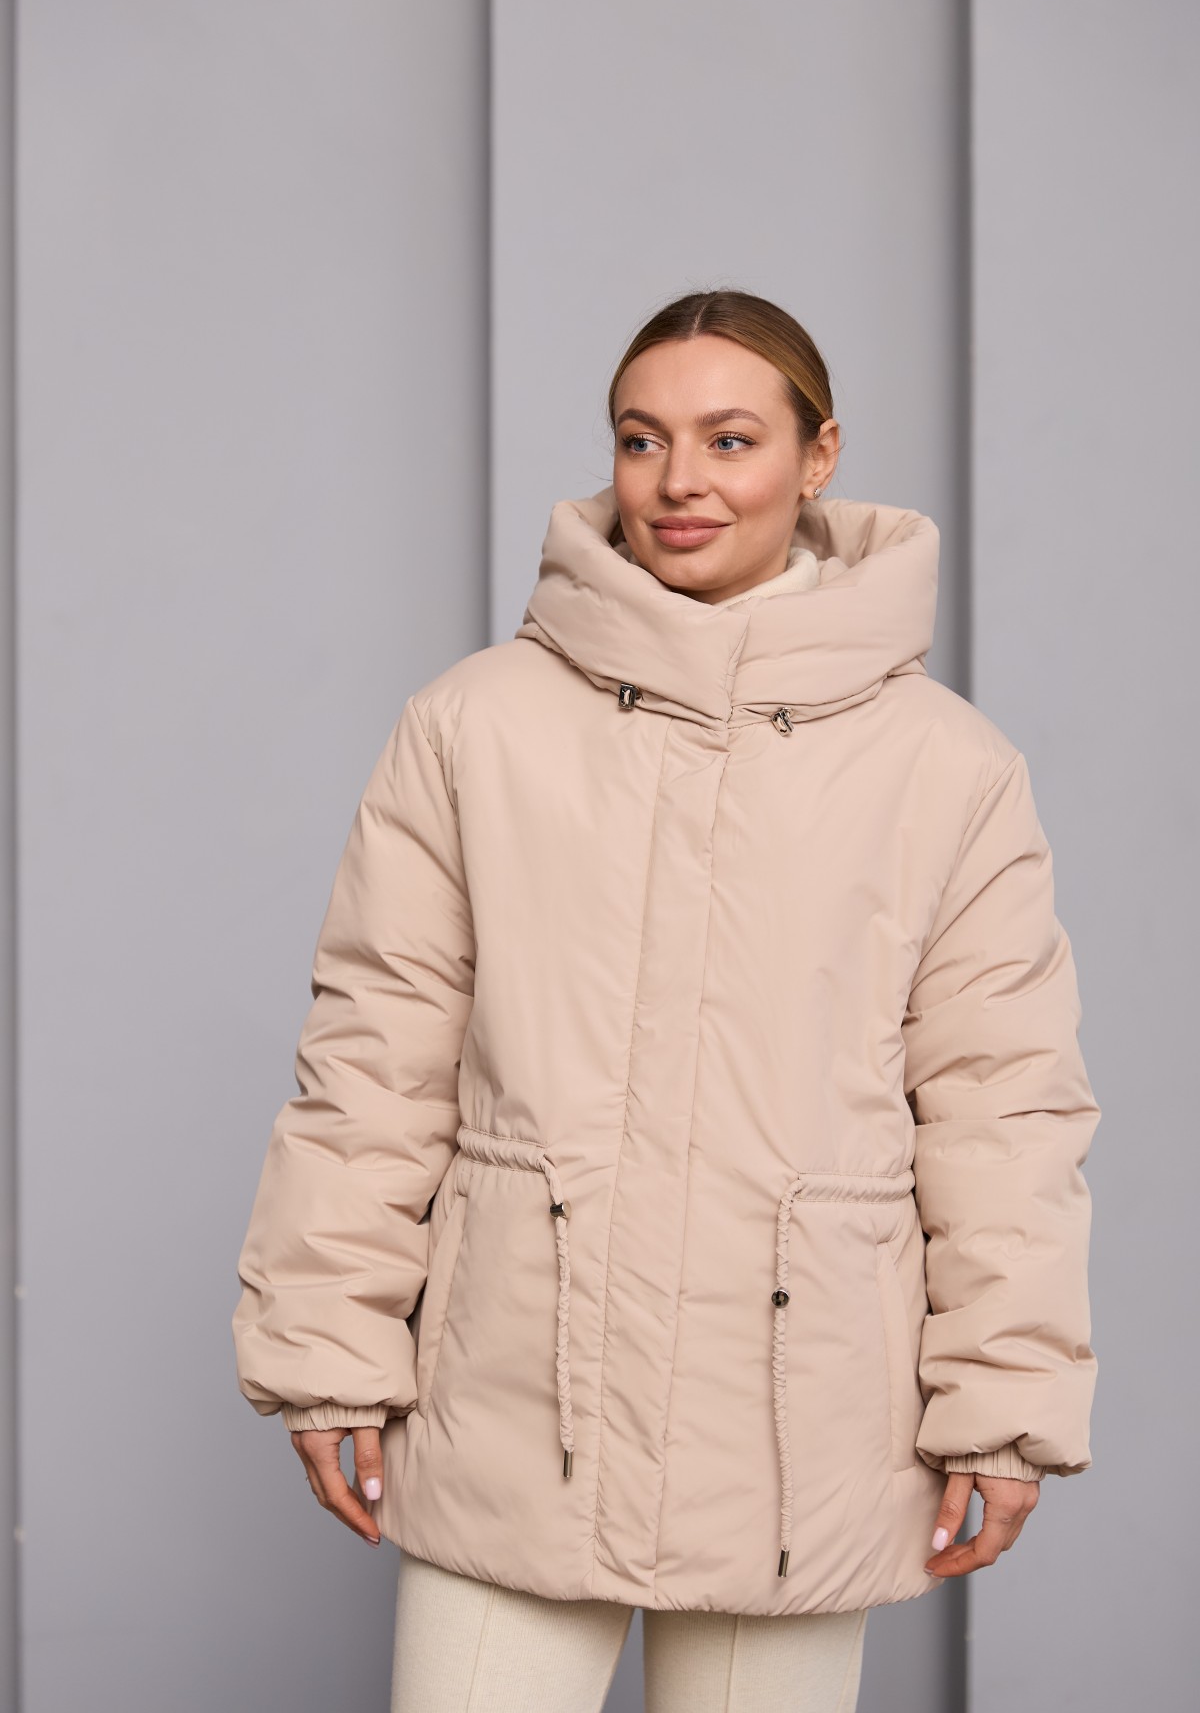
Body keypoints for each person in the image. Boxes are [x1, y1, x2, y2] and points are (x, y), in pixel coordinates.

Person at [232, 289, 1100, 1713]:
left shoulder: (947, 766)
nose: (679, 480)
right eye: (643, 440)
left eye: (730, 439)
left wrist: (1004, 1404)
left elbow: (1002, 1106)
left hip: (796, 1426)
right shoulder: (475, 725)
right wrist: (328, 1355)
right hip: (519, 1401)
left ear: (819, 457)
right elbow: (375, 1062)